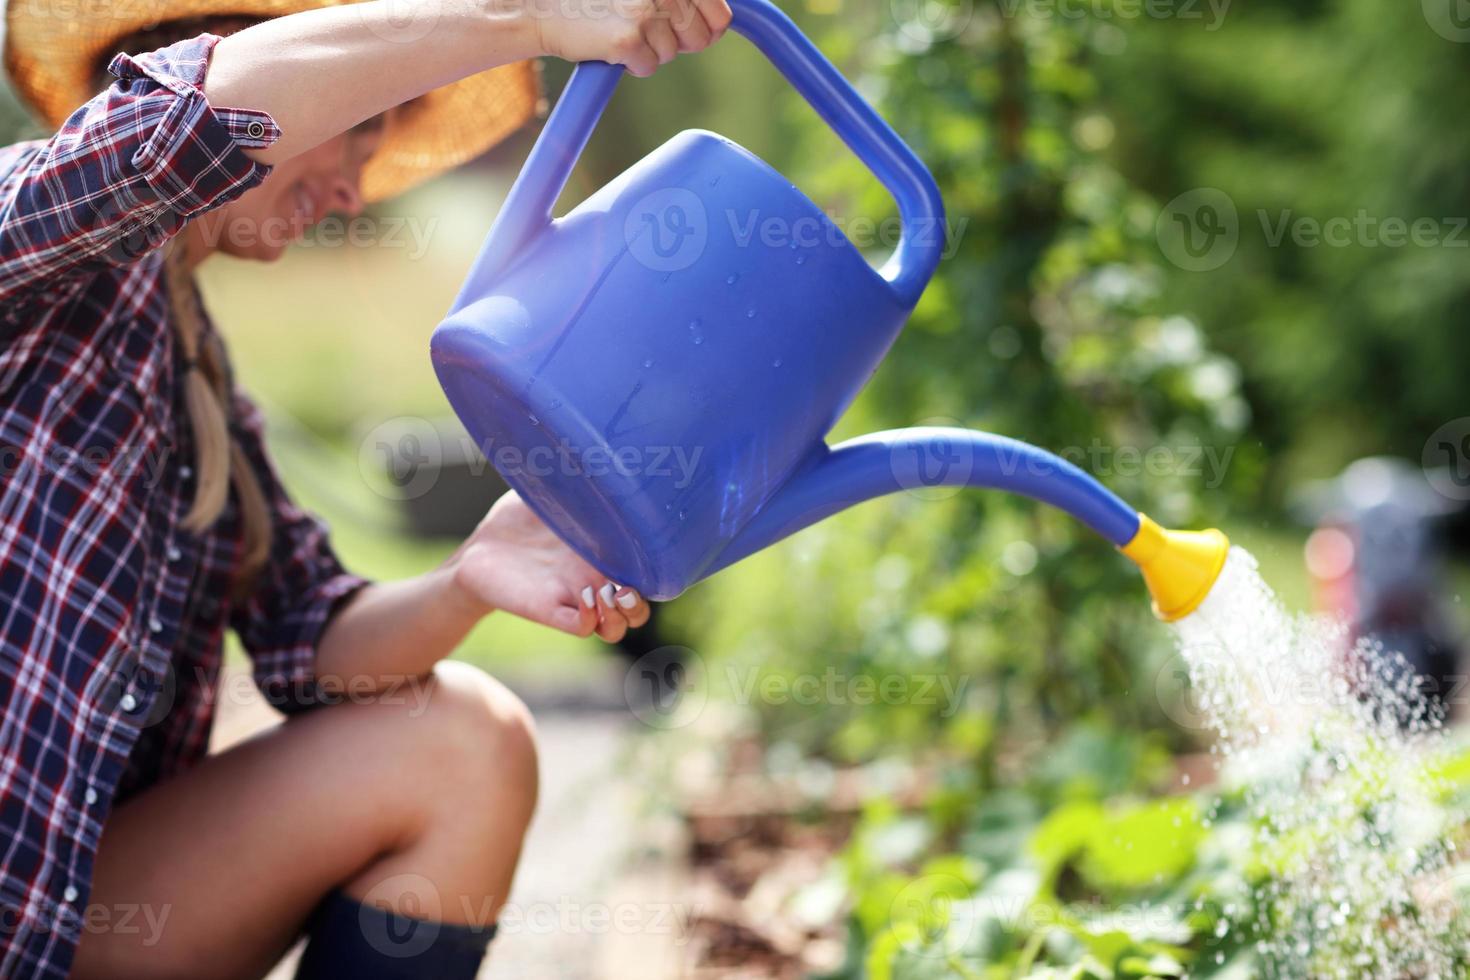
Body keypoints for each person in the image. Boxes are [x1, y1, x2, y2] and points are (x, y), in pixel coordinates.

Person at [0, 0, 731, 974]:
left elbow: (313, 642)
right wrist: (533, 16)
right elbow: (182, 123)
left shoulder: (195, 378)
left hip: (43, 913)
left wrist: (471, 575)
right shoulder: (31, 231)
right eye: (354, 134)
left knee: (463, 743)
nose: (352, 193)